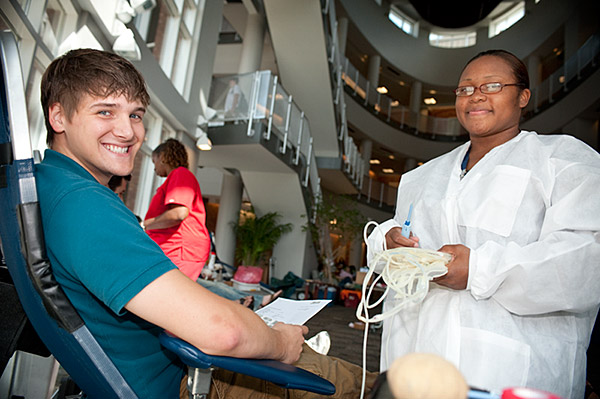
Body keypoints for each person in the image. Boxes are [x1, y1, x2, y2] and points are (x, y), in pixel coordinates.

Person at [35, 48, 375, 398]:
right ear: (58, 117)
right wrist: (280, 343)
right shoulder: (84, 204)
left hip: (162, 361)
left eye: (136, 115)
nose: (127, 131)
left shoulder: (47, 185)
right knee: (377, 386)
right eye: (105, 111)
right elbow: (222, 333)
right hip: (186, 382)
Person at [367, 49, 600, 398]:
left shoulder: (562, 161)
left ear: (523, 96)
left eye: (492, 85)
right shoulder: (422, 176)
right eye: (464, 89)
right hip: (414, 354)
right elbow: (401, 246)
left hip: (509, 367)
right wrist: (386, 242)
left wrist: (479, 268)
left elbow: (585, 261)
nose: (475, 96)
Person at [143, 138, 211, 281]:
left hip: (181, 249)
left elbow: (179, 213)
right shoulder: (176, 177)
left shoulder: (180, 174)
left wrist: (145, 225)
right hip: (175, 248)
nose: (154, 169)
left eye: (154, 162)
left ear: (162, 157)